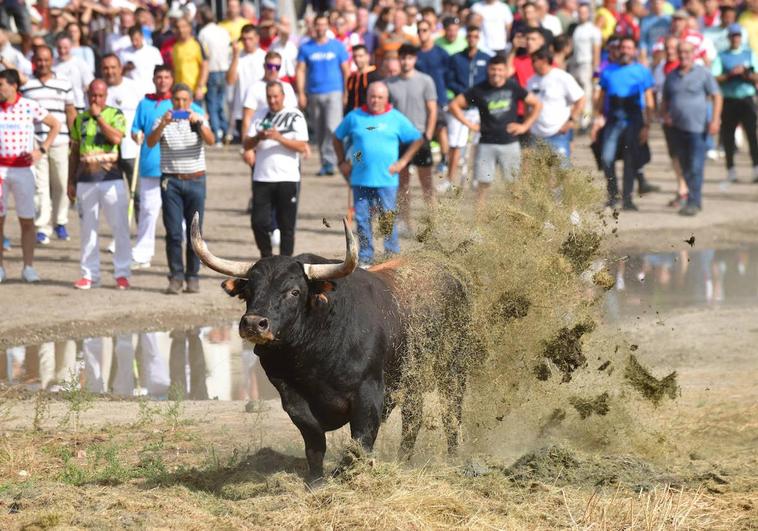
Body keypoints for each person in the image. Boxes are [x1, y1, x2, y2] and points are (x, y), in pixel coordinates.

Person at [333, 82, 424, 267]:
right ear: (367, 97)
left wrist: (403, 162)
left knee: (387, 218)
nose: (375, 100)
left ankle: (391, 255)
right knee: (362, 219)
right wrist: (342, 161)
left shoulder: (396, 118)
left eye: (380, 97)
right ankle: (366, 257)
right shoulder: (355, 116)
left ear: (386, 98)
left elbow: (417, 139)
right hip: (360, 178)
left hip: (387, 179)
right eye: (372, 96)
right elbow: (336, 136)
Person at [131, 66, 204, 270]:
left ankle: (186, 264)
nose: (162, 81)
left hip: (181, 171)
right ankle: (143, 253)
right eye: (159, 77)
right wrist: (136, 134)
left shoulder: (191, 106)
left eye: (166, 77)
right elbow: (136, 128)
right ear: (154, 79)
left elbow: (205, 129)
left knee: (180, 222)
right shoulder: (145, 104)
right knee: (147, 212)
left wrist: (197, 121)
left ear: (172, 80)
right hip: (150, 165)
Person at [146, 83, 215, 294]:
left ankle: (193, 276)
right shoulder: (163, 119)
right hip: (172, 181)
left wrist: (200, 123)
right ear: (171, 101)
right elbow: (150, 142)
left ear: (191, 101)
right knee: (174, 232)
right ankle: (176, 276)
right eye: (177, 100)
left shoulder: (197, 118)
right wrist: (163, 125)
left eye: (185, 100)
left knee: (195, 232)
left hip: (195, 180)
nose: (181, 104)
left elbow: (211, 141)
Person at [448, 55, 543, 208]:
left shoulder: (513, 86)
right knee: (482, 187)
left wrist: (525, 126)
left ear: (506, 71)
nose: (496, 73)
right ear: (488, 70)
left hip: (510, 144)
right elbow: (454, 105)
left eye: (500, 69)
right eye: (493, 69)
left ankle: (516, 223)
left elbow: (537, 104)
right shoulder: (479, 89)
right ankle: (479, 227)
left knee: (513, 187)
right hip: (486, 144)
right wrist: (469, 124)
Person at [68, 79, 130, 290]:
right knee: (87, 230)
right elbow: (74, 152)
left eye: (100, 96)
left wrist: (99, 118)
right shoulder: (79, 120)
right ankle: (89, 275)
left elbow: (116, 139)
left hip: (111, 180)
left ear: (106, 96)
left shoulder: (116, 115)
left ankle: (122, 273)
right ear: (87, 96)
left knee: (119, 227)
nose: (96, 99)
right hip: (85, 181)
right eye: (92, 95)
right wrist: (70, 180)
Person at [0, 69, 60, 284]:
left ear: (14, 86)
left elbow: (55, 124)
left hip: (23, 169)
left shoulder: (29, 105)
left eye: (1, 85)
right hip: (0, 169)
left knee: (27, 220)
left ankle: (28, 267)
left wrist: (41, 150)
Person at [243, 81, 308, 257]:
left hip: (287, 177)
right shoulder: (259, 115)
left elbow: (302, 146)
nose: (272, 101)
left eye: (276, 97)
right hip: (262, 177)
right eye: (269, 97)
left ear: (283, 96)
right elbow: (246, 143)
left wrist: (279, 138)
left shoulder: (295, 116)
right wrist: (258, 137)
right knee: (258, 222)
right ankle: (266, 255)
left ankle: (286, 261)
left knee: (287, 225)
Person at [21, 45, 76, 245]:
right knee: (40, 186)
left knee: (61, 183)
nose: (43, 64)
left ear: (52, 60)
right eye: (39, 60)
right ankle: (42, 226)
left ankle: (60, 221)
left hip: (60, 139)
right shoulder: (27, 85)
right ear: (34, 61)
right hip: (35, 141)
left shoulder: (64, 83)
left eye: (46, 60)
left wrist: (74, 136)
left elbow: (70, 111)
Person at [591, 37, 655, 211]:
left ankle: (628, 199)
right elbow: (601, 99)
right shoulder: (608, 72)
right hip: (612, 120)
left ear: (634, 51)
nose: (625, 50)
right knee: (606, 158)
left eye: (629, 47)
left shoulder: (642, 72)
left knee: (630, 160)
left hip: (634, 120)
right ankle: (613, 195)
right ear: (618, 50)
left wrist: (647, 126)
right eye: (623, 47)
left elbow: (649, 99)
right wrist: (597, 120)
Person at [662, 41, 722, 216]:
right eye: (680, 51)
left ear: (694, 53)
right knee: (685, 167)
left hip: (698, 129)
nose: (683, 55)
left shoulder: (703, 74)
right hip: (677, 129)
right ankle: (693, 199)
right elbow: (664, 100)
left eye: (687, 51)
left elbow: (717, 96)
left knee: (696, 166)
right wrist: (665, 114)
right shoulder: (671, 76)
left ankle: (694, 202)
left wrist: (715, 120)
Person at [386, 44, 437, 235]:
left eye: (409, 58)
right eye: (403, 58)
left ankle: (433, 221)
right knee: (403, 184)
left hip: (421, 137)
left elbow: (432, 109)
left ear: (415, 59)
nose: (406, 62)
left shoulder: (426, 81)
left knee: (427, 183)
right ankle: (406, 222)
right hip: (399, 141)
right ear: (398, 59)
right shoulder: (389, 84)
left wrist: (429, 134)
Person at [296, 14, 350, 176]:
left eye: (323, 24)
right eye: (317, 25)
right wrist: (301, 93)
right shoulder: (306, 48)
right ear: (313, 26)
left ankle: (336, 160)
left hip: (334, 91)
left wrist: (347, 91)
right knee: (319, 130)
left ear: (328, 26)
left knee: (332, 127)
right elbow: (300, 70)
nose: (320, 28)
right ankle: (326, 162)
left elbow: (346, 70)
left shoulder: (337, 46)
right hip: (314, 92)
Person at [440, 26, 490, 191]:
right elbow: (449, 79)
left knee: (477, 145)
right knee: (455, 144)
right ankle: (449, 179)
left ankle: (475, 178)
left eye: (475, 35)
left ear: (479, 37)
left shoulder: (486, 58)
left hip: (479, 108)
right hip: (460, 107)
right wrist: (463, 92)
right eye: (470, 35)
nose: (472, 38)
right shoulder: (456, 58)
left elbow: (488, 81)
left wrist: (477, 93)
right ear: (466, 37)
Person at [713, 24, 758, 183]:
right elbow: (715, 77)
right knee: (728, 136)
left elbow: (757, 76)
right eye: (733, 36)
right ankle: (730, 169)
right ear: (729, 38)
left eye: (738, 35)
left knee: (752, 134)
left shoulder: (749, 54)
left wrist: (746, 73)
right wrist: (730, 74)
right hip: (729, 99)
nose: (736, 38)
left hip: (746, 98)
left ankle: (755, 167)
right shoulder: (722, 56)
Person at [102, 55, 142, 223]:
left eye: (113, 67)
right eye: (106, 68)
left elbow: (143, 114)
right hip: (107, 152)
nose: (110, 71)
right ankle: (118, 234)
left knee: (138, 194)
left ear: (120, 68)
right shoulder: (100, 90)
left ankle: (141, 235)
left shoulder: (134, 87)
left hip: (132, 149)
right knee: (112, 198)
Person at [527, 47, 585, 159]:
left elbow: (581, 99)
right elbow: (527, 104)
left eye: (534, 60)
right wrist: (528, 124)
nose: (532, 64)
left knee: (561, 172)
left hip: (558, 133)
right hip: (537, 135)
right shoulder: (531, 81)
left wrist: (571, 121)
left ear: (544, 61)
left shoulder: (562, 77)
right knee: (540, 174)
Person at [415, 19, 450, 177]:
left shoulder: (441, 53)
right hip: (420, 99)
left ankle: (444, 160)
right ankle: (417, 159)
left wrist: (446, 95)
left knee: (440, 128)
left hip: (439, 97)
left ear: (431, 32)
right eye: (419, 30)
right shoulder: (415, 54)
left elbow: (449, 75)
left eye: (425, 30)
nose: (422, 34)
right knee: (419, 129)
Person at [197, 5, 231, 145]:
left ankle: (217, 134)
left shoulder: (203, 33)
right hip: (224, 69)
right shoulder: (223, 31)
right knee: (220, 103)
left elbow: (204, 54)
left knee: (211, 105)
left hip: (211, 70)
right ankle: (224, 130)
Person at [227, 24, 265, 143]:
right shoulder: (237, 57)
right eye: (244, 39)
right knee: (247, 147)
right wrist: (235, 56)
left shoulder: (264, 56)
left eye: (250, 39)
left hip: (261, 108)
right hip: (242, 109)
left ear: (257, 38)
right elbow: (230, 80)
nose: (247, 42)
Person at [569, 2, 602, 130]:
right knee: (575, 95)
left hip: (587, 64)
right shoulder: (577, 29)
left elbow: (596, 51)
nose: (582, 15)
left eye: (584, 12)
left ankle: (586, 121)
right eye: (580, 12)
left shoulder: (593, 30)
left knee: (587, 95)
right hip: (575, 64)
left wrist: (596, 70)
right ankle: (576, 120)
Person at [53, 33, 93, 112]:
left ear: (71, 47)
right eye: (59, 48)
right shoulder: (52, 64)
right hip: (58, 108)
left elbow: (89, 85)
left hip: (77, 106)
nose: (62, 51)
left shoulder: (80, 63)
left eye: (65, 48)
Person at [172, 17, 208, 104]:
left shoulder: (196, 44)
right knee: (181, 117)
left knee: (195, 116)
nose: (181, 30)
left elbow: (205, 66)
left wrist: (200, 87)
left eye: (184, 27)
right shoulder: (175, 47)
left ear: (189, 28)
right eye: (178, 27)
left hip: (193, 91)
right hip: (179, 92)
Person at [119, 27, 164, 96]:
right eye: (132, 40)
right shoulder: (124, 53)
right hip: (131, 92)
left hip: (150, 90)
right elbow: (119, 73)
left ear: (142, 36)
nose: (135, 43)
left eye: (137, 39)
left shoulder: (153, 51)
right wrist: (126, 68)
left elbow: (160, 70)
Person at [345, 44, 382, 114]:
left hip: (368, 116)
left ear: (368, 57)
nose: (357, 59)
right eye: (355, 56)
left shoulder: (375, 77)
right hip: (353, 115)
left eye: (360, 56)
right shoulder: (352, 78)